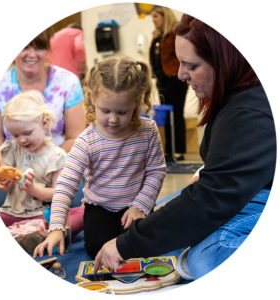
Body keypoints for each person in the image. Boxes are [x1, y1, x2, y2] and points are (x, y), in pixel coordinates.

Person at [93, 13, 277, 281]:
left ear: (223, 62)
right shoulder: (236, 97)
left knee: (203, 258)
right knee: (166, 211)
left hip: (259, 197)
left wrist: (126, 244)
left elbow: (211, 199)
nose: (180, 74)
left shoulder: (249, 111)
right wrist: (206, 172)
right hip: (251, 191)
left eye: (190, 65)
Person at [33, 57, 167, 259]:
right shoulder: (87, 140)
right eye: (105, 110)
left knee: (139, 247)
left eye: (122, 112)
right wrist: (57, 227)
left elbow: (156, 171)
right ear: (92, 100)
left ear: (137, 103)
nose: (113, 119)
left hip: (135, 206)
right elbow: (66, 184)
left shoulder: (148, 131)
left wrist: (140, 205)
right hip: (100, 207)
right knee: (96, 249)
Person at [0, 26, 86, 209]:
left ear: (47, 49)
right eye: (24, 47)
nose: (32, 54)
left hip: (58, 162)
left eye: (39, 47)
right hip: (13, 162)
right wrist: (11, 170)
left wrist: (47, 163)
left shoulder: (68, 81)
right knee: (0, 206)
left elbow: (76, 137)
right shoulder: (0, 85)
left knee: (76, 204)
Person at [0, 90, 83, 237]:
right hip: (12, 214)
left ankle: (27, 234)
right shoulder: (12, 149)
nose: (22, 140)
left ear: (44, 123)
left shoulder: (57, 156)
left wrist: (34, 189)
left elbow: (59, 194)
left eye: (27, 133)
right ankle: (29, 234)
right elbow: (1, 182)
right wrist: (3, 184)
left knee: (82, 214)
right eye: (15, 135)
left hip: (43, 216)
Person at [150, 5, 188, 161]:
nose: (153, 20)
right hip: (161, 80)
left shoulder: (174, 35)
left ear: (165, 16)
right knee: (166, 115)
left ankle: (178, 151)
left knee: (176, 114)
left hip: (176, 79)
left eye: (155, 17)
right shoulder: (156, 37)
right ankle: (169, 150)